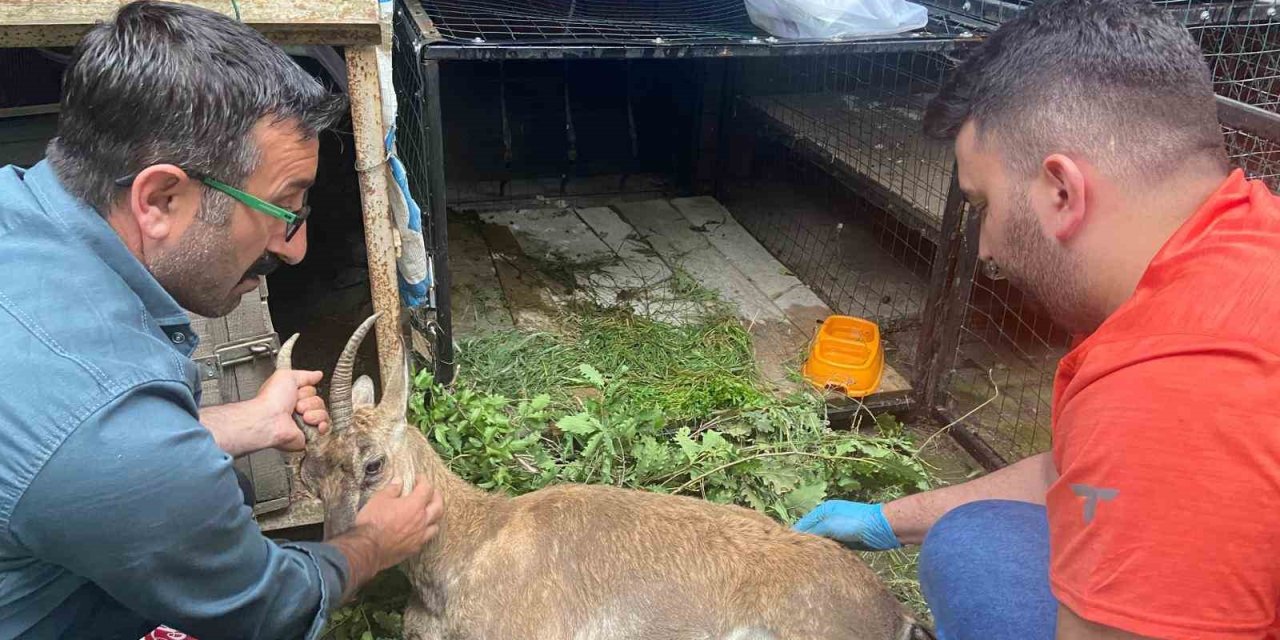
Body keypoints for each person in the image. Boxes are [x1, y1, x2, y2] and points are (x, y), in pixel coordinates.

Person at [795, 0, 1280, 638]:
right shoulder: (1246, 233)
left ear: (1061, 191)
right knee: (975, 537)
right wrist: (885, 520)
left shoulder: (1170, 389)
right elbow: (1076, 473)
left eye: (982, 204)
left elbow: (1134, 453)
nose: (986, 245)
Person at [0, 2, 443, 638]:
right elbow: (258, 607)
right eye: (284, 208)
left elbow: (57, 444)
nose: (296, 247)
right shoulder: (105, 425)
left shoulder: (18, 209)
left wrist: (241, 423)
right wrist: (371, 544)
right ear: (160, 200)